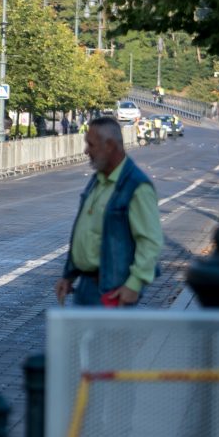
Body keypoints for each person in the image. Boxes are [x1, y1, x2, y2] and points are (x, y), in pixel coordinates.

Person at [55, 117, 163, 307]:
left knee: (105, 338)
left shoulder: (136, 185)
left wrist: (134, 285)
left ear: (110, 145)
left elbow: (150, 242)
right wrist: (69, 276)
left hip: (112, 293)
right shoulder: (99, 179)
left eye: (91, 145)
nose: (86, 151)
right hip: (86, 287)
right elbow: (86, 233)